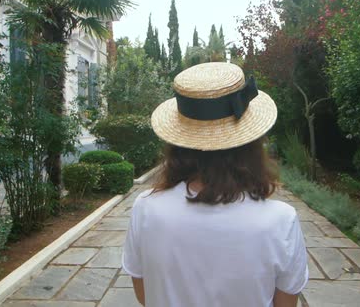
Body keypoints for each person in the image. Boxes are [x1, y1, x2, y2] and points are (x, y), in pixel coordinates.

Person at [122, 62, 308, 307]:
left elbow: (144, 295)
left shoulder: (145, 209)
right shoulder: (281, 221)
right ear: (252, 143)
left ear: (177, 143)